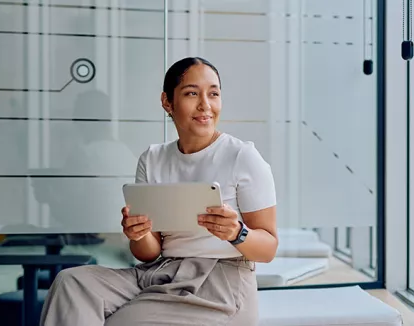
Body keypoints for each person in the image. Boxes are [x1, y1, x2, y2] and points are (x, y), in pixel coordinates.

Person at [39, 57, 279, 326]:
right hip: (161, 271)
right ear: (167, 102)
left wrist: (237, 233)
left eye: (213, 94)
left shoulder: (242, 157)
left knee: (126, 321)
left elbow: (268, 248)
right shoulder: (152, 158)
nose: (205, 105)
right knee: (71, 284)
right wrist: (139, 233)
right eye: (191, 93)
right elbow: (148, 253)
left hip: (220, 283)